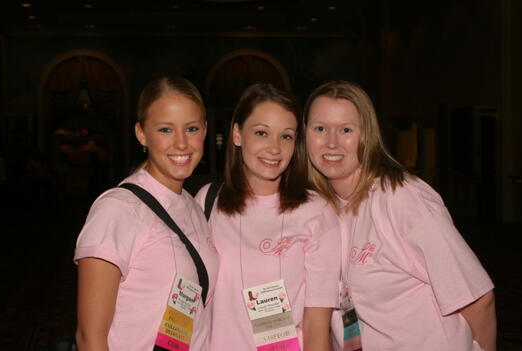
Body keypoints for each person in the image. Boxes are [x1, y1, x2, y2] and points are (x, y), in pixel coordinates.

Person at [304, 80, 497, 351]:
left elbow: (477, 298)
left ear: (367, 135)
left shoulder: (403, 198)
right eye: (320, 128)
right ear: (306, 135)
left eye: (346, 129)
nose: (332, 142)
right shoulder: (319, 208)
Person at [74, 76, 218, 351]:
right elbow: (89, 337)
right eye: (165, 129)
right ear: (141, 134)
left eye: (191, 128)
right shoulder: (118, 210)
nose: (181, 143)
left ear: (205, 130)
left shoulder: (192, 206)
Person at [195, 83, 341, 351]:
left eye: (286, 136)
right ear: (237, 134)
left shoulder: (315, 212)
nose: (274, 148)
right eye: (262, 133)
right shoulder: (207, 201)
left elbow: (317, 328)